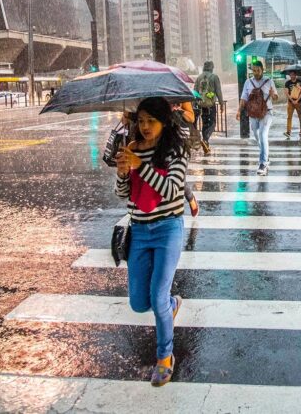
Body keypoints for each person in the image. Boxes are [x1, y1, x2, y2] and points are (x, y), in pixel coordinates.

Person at [113, 97, 189, 387]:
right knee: (138, 303)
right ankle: (171, 306)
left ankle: (164, 357)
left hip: (168, 228)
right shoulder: (131, 149)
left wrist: (140, 167)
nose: (144, 126)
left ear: (164, 122)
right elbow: (124, 194)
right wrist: (122, 172)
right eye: (140, 120)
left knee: (157, 297)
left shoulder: (175, 150)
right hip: (139, 232)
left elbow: (172, 191)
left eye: (151, 121)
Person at [237, 60, 278, 175]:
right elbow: (244, 98)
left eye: (258, 70)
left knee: (263, 134)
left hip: (267, 113)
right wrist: (239, 111)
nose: (255, 73)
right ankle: (266, 154)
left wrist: (272, 94)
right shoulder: (248, 82)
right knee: (256, 135)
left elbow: (276, 97)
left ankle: (263, 163)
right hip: (254, 113)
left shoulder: (269, 81)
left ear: (262, 69)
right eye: (254, 70)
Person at [193, 61, 223, 147]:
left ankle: (205, 141)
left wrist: (194, 104)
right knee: (212, 123)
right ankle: (205, 139)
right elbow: (218, 91)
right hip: (210, 105)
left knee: (205, 122)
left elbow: (195, 92)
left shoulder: (199, 78)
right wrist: (221, 104)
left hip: (201, 105)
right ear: (212, 68)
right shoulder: (214, 77)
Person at [283, 70, 301, 138]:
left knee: (300, 117)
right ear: (289, 75)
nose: (292, 76)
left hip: (298, 103)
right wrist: (292, 100)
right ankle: (288, 132)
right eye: (291, 75)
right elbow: (287, 93)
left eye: (293, 74)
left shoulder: (299, 82)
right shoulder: (287, 83)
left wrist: (297, 100)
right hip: (290, 103)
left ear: (295, 75)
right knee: (289, 117)